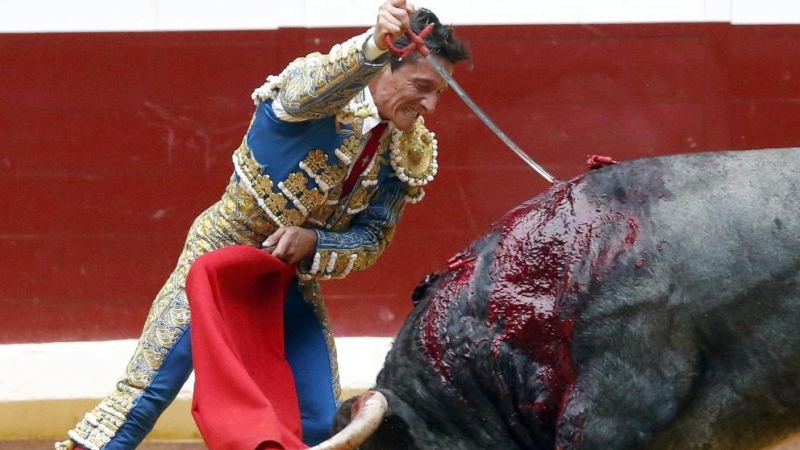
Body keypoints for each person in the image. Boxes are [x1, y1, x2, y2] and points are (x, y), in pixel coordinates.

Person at [56, 1, 470, 449]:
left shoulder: (406, 150)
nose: (429, 104)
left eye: (439, 93)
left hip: (287, 278)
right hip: (217, 258)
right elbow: (316, 90)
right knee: (141, 397)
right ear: (385, 67)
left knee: (316, 418)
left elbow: (371, 238)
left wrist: (314, 241)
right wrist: (370, 45)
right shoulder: (313, 93)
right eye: (422, 86)